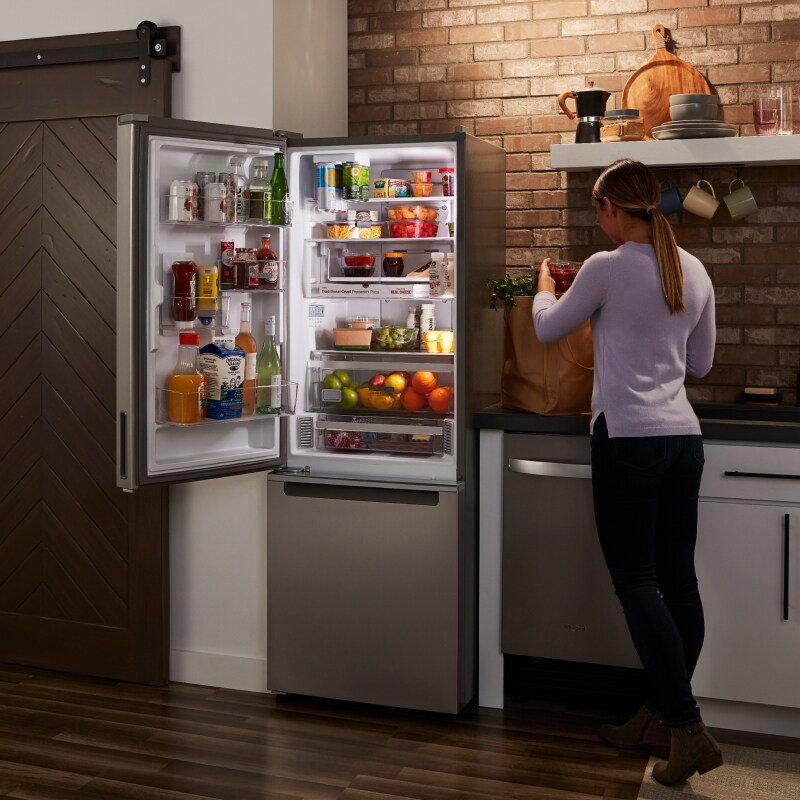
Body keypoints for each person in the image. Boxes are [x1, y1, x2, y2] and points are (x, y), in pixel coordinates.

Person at [532, 159, 720, 787]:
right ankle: (661, 715)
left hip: (629, 440)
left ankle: (688, 729)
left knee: (637, 583)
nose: (598, 220)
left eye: (598, 209)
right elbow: (700, 364)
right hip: (683, 440)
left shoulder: (606, 268)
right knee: (678, 584)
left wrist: (541, 286)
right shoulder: (692, 270)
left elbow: (546, 328)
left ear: (612, 208)